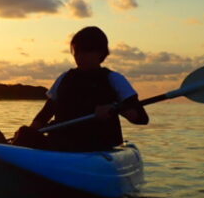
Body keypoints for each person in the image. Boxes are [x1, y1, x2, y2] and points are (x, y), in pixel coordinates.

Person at [13, 26, 148, 152]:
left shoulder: (114, 79)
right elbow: (46, 113)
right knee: (25, 133)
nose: (80, 56)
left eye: (86, 51)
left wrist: (115, 108)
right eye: (77, 52)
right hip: (62, 142)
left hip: (98, 145)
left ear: (101, 53)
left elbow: (141, 118)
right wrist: (29, 134)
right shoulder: (65, 78)